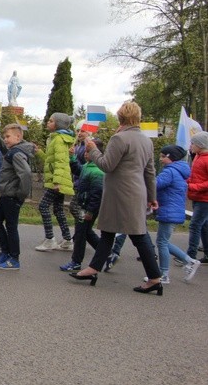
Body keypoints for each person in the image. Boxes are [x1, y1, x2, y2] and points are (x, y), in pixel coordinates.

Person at [70, 101, 163, 295]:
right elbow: (149, 171)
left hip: (120, 193)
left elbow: (106, 165)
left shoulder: (119, 139)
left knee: (138, 235)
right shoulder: (146, 140)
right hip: (136, 192)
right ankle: (93, 269)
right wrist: (152, 196)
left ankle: (154, 278)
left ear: (121, 118)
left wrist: (93, 148)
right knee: (109, 232)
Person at [0, 124, 34, 270]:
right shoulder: (12, 151)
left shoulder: (17, 153)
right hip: (6, 194)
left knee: (11, 227)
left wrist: (20, 195)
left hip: (12, 196)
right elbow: (4, 148)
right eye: (4, 137)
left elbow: (26, 174)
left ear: (18, 136)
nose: (5, 139)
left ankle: (14, 258)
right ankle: (5, 251)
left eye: (8, 136)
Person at [155, 145, 201, 283]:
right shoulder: (179, 171)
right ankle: (188, 260)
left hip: (168, 211)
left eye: (163, 156)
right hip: (173, 210)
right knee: (163, 242)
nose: (161, 159)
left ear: (170, 157)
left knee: (162, 242)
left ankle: (164, 274)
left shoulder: (169, 172)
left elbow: (154, 184)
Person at [59, 138, 104, 272]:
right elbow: (78, 170)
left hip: (87, 208)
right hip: (83, 206)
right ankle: (106, 253)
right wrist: (72, 157)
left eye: (88, 151)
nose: (85, 154)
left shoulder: (97, 171)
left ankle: (76, 262)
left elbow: (97, 195)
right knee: (86, 232)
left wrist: (90, 211)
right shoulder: (87, 166)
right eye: (85, 151)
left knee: (80, 234)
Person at [35, 113, 74, 252]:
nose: (48, 122)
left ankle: (50, 239)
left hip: (56, 181)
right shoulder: (56, 138)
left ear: (58, 124)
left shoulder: (58, 139)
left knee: (43, 206)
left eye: (51, 121)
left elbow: (60, 162)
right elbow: (50, 160)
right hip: (58, 180)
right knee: (58, 210)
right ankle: (68, 240)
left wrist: (57, 182)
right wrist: (39, 152)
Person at [187, 131, 208, 264]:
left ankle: (190, 256)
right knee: (204, 225)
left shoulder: (206, 159)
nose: (191, 145)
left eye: (193, 143)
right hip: (197, 197)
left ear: (200, 144)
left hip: (204, 199)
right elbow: (196, 175)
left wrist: (193, 186)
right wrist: (188, 180)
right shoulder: (198, 157)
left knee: (195, 225)